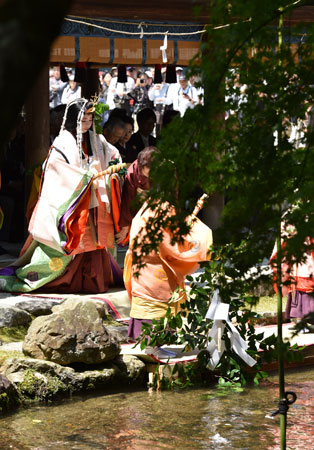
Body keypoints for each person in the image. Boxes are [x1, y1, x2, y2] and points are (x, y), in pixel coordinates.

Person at [0, 98, 123, 293]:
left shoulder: (97, 140)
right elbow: (54, 169)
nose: (87, 123)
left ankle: (94, 281)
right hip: (73, 203)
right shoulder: (62, 142)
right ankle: (54, 279)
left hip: (94, 202)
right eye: (83, 119)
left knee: (94, 243)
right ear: (73, 119)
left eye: (90, 119)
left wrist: (115, 168)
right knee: (70, 244)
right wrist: (83, 179)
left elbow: (113, 155)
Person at [124, 200, 213, 341]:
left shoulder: (146, 208)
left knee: (147, 296)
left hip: (143, 265)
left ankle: (149, 340)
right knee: (157, 299)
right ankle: (154, 340)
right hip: (157, 265)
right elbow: (173, 239)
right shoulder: (163, 208)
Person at [116, 146, 156, 245]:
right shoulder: (133, 171)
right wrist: (125, 227)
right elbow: (128, 199)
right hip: (139, 212)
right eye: (147, 174)